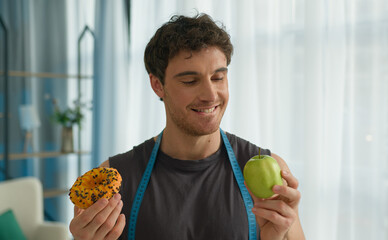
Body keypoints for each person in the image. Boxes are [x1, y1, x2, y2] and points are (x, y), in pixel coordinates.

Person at [69, 13, 305, 240]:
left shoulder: (271, 173)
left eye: (218, 78)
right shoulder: (117, 179)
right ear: (157, 85)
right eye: (190, 81)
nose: (210, 95)